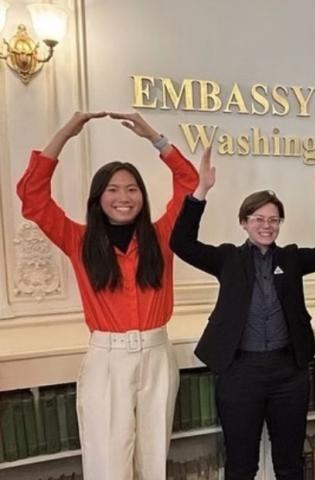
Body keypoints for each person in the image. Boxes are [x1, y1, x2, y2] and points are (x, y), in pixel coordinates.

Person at [16, 111, 199, 480]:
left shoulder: (162, 236)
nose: (123, 197)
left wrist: (155, 138)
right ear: (99, 197)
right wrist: (66, 133)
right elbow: (32, 197)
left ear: (142, 196)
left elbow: (189, 183)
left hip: (157, 354)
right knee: (109, 464)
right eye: (112, 189)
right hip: (107, 360)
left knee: (153, 462)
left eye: (132, 189)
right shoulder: (78, 240)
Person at [169, 148, 315, 480]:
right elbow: (181, 243)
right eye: (258, 219)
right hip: (240, 373)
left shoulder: (292, 259)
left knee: (290, 464)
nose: (267, 226)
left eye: (273, 220)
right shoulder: (228, 260)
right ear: (244, 223)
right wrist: (201, 192)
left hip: (288, 374)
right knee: (240, 465)